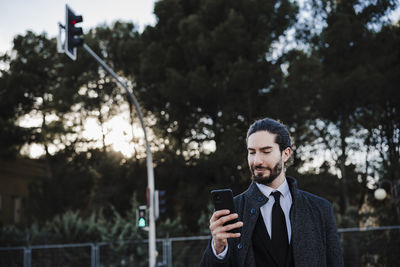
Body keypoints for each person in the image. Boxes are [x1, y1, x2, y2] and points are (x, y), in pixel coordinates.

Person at [200, 118, 344, 267]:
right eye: (252, 152)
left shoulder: (320, 209)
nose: (257, 161)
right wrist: (218, 248)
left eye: (266, 151)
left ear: (286, 154)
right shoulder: (232, 211)